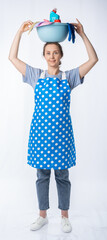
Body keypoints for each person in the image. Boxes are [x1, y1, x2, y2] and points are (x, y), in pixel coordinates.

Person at [8, 18, 98, 233]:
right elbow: (11, 57)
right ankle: (42, 216)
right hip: (40, 137)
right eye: (48, 53)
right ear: (44, 56)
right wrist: (19, 32)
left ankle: (65, 217)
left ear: (61, 56)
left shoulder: (70, 77)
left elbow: (93, 59)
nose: (51, 56)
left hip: (62, 138)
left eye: (55, 53)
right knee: (41, 177)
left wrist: (83, 34)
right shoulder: (35, 75)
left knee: (62, 177)